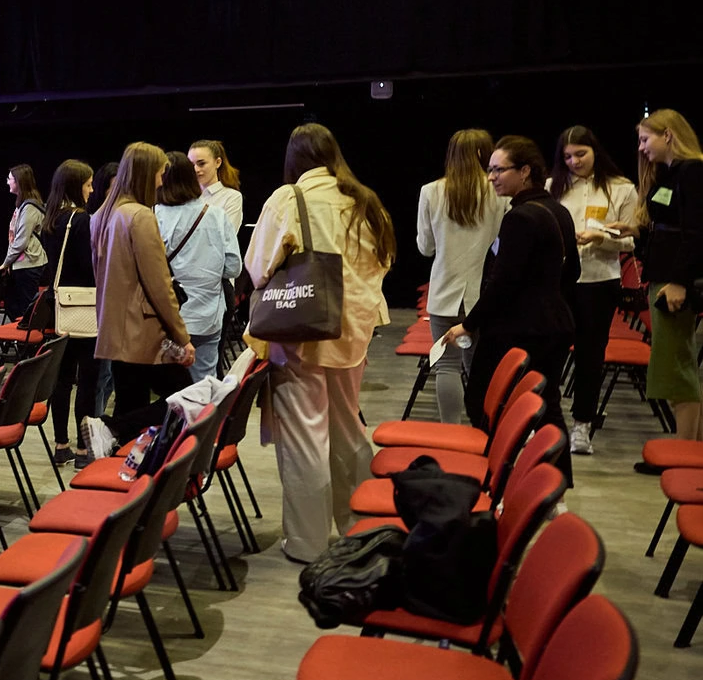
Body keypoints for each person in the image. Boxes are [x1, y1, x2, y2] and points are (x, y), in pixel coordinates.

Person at [246, 124, 395, 564]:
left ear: (294, 159)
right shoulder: (365, 199)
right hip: (354, 330)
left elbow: (258, 269)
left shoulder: (288, 198)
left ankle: (309, 543)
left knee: (306, 435)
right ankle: (360, 527)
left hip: (301, 331)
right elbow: (384, 260)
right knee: (348, 427)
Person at [441, 136, 578, 449]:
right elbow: (573, 274)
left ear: (525, 171)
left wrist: (469, 323)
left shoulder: (520, 217)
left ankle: (497, 478)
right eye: (489, 169)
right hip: (554, 324)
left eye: (498, 170)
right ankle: (550, 492)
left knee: (483, 401)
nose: (490, 177)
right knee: (546, 406)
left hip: (519, 328)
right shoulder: (558, 211)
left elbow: (502, 283)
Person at [93, 143, 192, 440]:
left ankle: (123, 469)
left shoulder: (101, 215)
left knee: (130, 405)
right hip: (144, 332)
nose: (162, 181)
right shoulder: (140, 217)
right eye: (161, 173)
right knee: (189, 398)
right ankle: (111, 428)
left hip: (114, 330)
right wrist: (182, 337)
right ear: (148, 173)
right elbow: (159, 285)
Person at [550, 126, 638, 454]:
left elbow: (631, 239)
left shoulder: (621, 188)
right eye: (568, 156)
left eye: (581, 154)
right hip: (559, 280)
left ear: (595, 151)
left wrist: (602, 237)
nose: (574, 161)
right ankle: (543, 420)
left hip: (600, 281)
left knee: (590, 356)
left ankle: (582, 425)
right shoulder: (552, 186)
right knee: (551, 352)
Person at [415, 129, 507, 424]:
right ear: (485, 154)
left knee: (446, 366)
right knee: (479, 367)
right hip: (484, 296)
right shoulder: (498, 193)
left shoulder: (431, 191)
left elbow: (425, 247)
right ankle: (482, 429)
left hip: (444, 292)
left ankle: (449, 432)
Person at [623, 109, 703, 442]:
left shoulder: (693, 171)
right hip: (664, 276)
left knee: (675, 368)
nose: (642, 147)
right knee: (673, 365)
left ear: (667, 135)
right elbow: (668, 228)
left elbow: (697, 232)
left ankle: (684, 451)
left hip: (675, 281)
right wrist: (630, 232)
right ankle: (689, 447)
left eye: (646, 139)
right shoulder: (669, 174)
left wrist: (680, 281)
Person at [155, 150, 241, 383]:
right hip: (208, 316)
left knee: (167, 390)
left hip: (166, 319)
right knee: (204, 387)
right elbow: (233, 267)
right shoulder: (216, 215)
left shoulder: (153, 216)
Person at [40, 159, 98, 463]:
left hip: (58, 307)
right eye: (88, 185)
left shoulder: (51, 219)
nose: (91, 190)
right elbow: (90, 268)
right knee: (87, 382)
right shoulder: (82, 220)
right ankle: (82, 449)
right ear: (77, 185)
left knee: (61, 382)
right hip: (85, 306)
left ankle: (60, 445)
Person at [0, 165, 49, 319]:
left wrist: (5, 263)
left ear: (19, 182)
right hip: (22, 264)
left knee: (27, 310)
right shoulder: (22, 205)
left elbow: (20, 241)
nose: (7, 182)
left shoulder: (29, 208)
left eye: (10, 179)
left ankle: (28, 341)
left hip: (29, 264)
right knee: (15, 306)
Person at [188, 140, 245, 239]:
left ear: (218, 162)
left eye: (201, 164)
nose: (196, 169)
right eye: (191, 165)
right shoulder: (185, 196)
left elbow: (226, 237)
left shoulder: (231, 197)